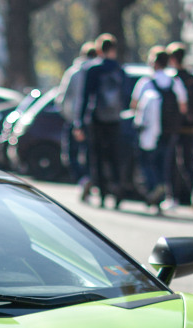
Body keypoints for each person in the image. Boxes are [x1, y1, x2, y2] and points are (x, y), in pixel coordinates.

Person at [132, 46, 187, 211]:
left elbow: (134, 105)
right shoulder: (175, 81)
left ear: (154, 62)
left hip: (149, 131)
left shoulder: (145, 82)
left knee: (147, 161)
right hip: (169, 130)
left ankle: (153, 187)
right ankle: (162, 188)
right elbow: (183, 107)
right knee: (164, 162)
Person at [73, 34, 126, 208]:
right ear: (114, 49)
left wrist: (79, 122)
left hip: (96, 118)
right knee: (115, 155)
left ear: (98, 49)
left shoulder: (92, 69)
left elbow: (84, 97)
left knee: (97, 156)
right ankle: (118, 190)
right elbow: (126, 96)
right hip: (115, 119)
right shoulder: (120, 70)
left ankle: (102, 193)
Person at [168, 42, 193, 208]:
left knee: (172, 162)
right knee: (187, 162)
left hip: (174, 126)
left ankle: (173, 197)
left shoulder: (173, 79)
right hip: (191, 127)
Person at [56, 42, 97, 193]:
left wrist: (68, 116)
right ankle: (90, 178)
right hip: (93, 120)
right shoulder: (98, 72)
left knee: (71, 154)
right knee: (89, 153)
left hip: (73, 119)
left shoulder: (74, 73)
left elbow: (63, 97)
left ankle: (83, 179)